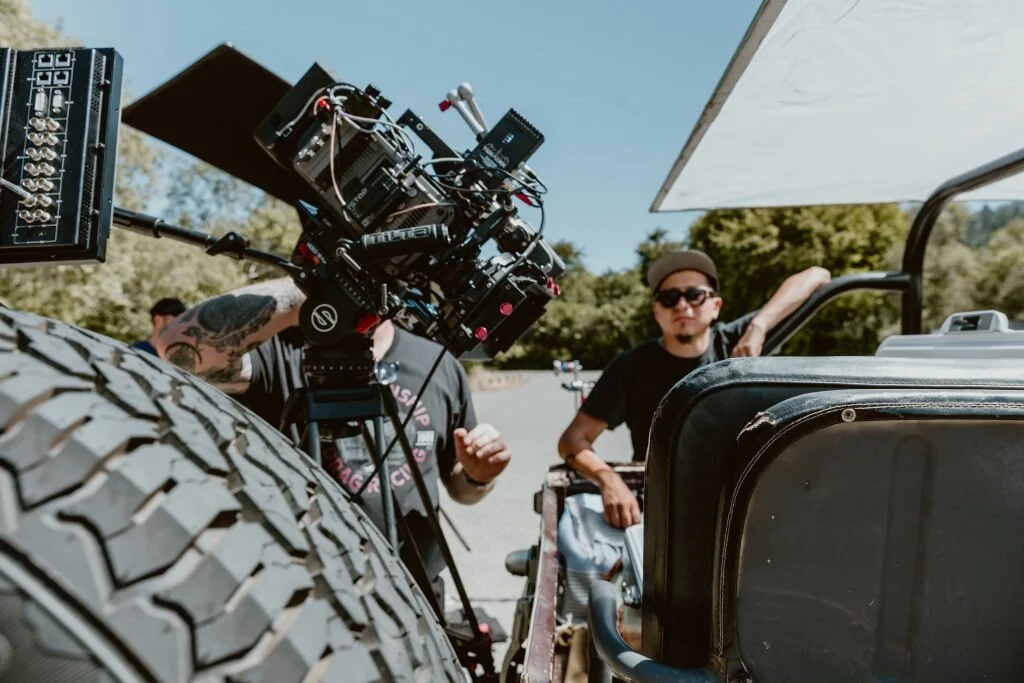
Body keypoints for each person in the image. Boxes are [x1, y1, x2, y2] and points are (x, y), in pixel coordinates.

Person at [153, 276, 511, 601]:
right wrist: (320, 285)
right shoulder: (279, 351)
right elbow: (177, 350)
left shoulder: (438, 362)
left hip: (415, 590)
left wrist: (478, 476)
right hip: (305, 592)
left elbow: (460, 489)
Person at [557, 250, 831, 528]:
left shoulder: (739, 343)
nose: (682, 305)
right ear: (656, 311)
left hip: (740, 502)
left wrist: (759, 326)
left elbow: (817, 276)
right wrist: (608, 479)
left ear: (716, 306)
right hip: (664, 508)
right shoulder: (630, 368)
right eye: (669, 297)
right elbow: (573, 440)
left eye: (695, 295)